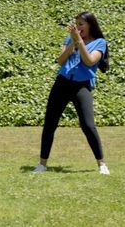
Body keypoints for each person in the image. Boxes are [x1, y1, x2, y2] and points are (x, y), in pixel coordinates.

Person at [32, 11, 110, 175]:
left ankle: (101, 164)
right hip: (62, 83)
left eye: (81, 24)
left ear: (90, 25)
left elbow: (89, 61)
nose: (78, 27)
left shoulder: (100, 42)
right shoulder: (70, 39)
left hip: (81, 86)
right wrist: (71, 43)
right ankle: (42, 164)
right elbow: (60, 60)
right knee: (50, 124)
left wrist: (79, 42)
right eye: (76, 24)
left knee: (88, 125)